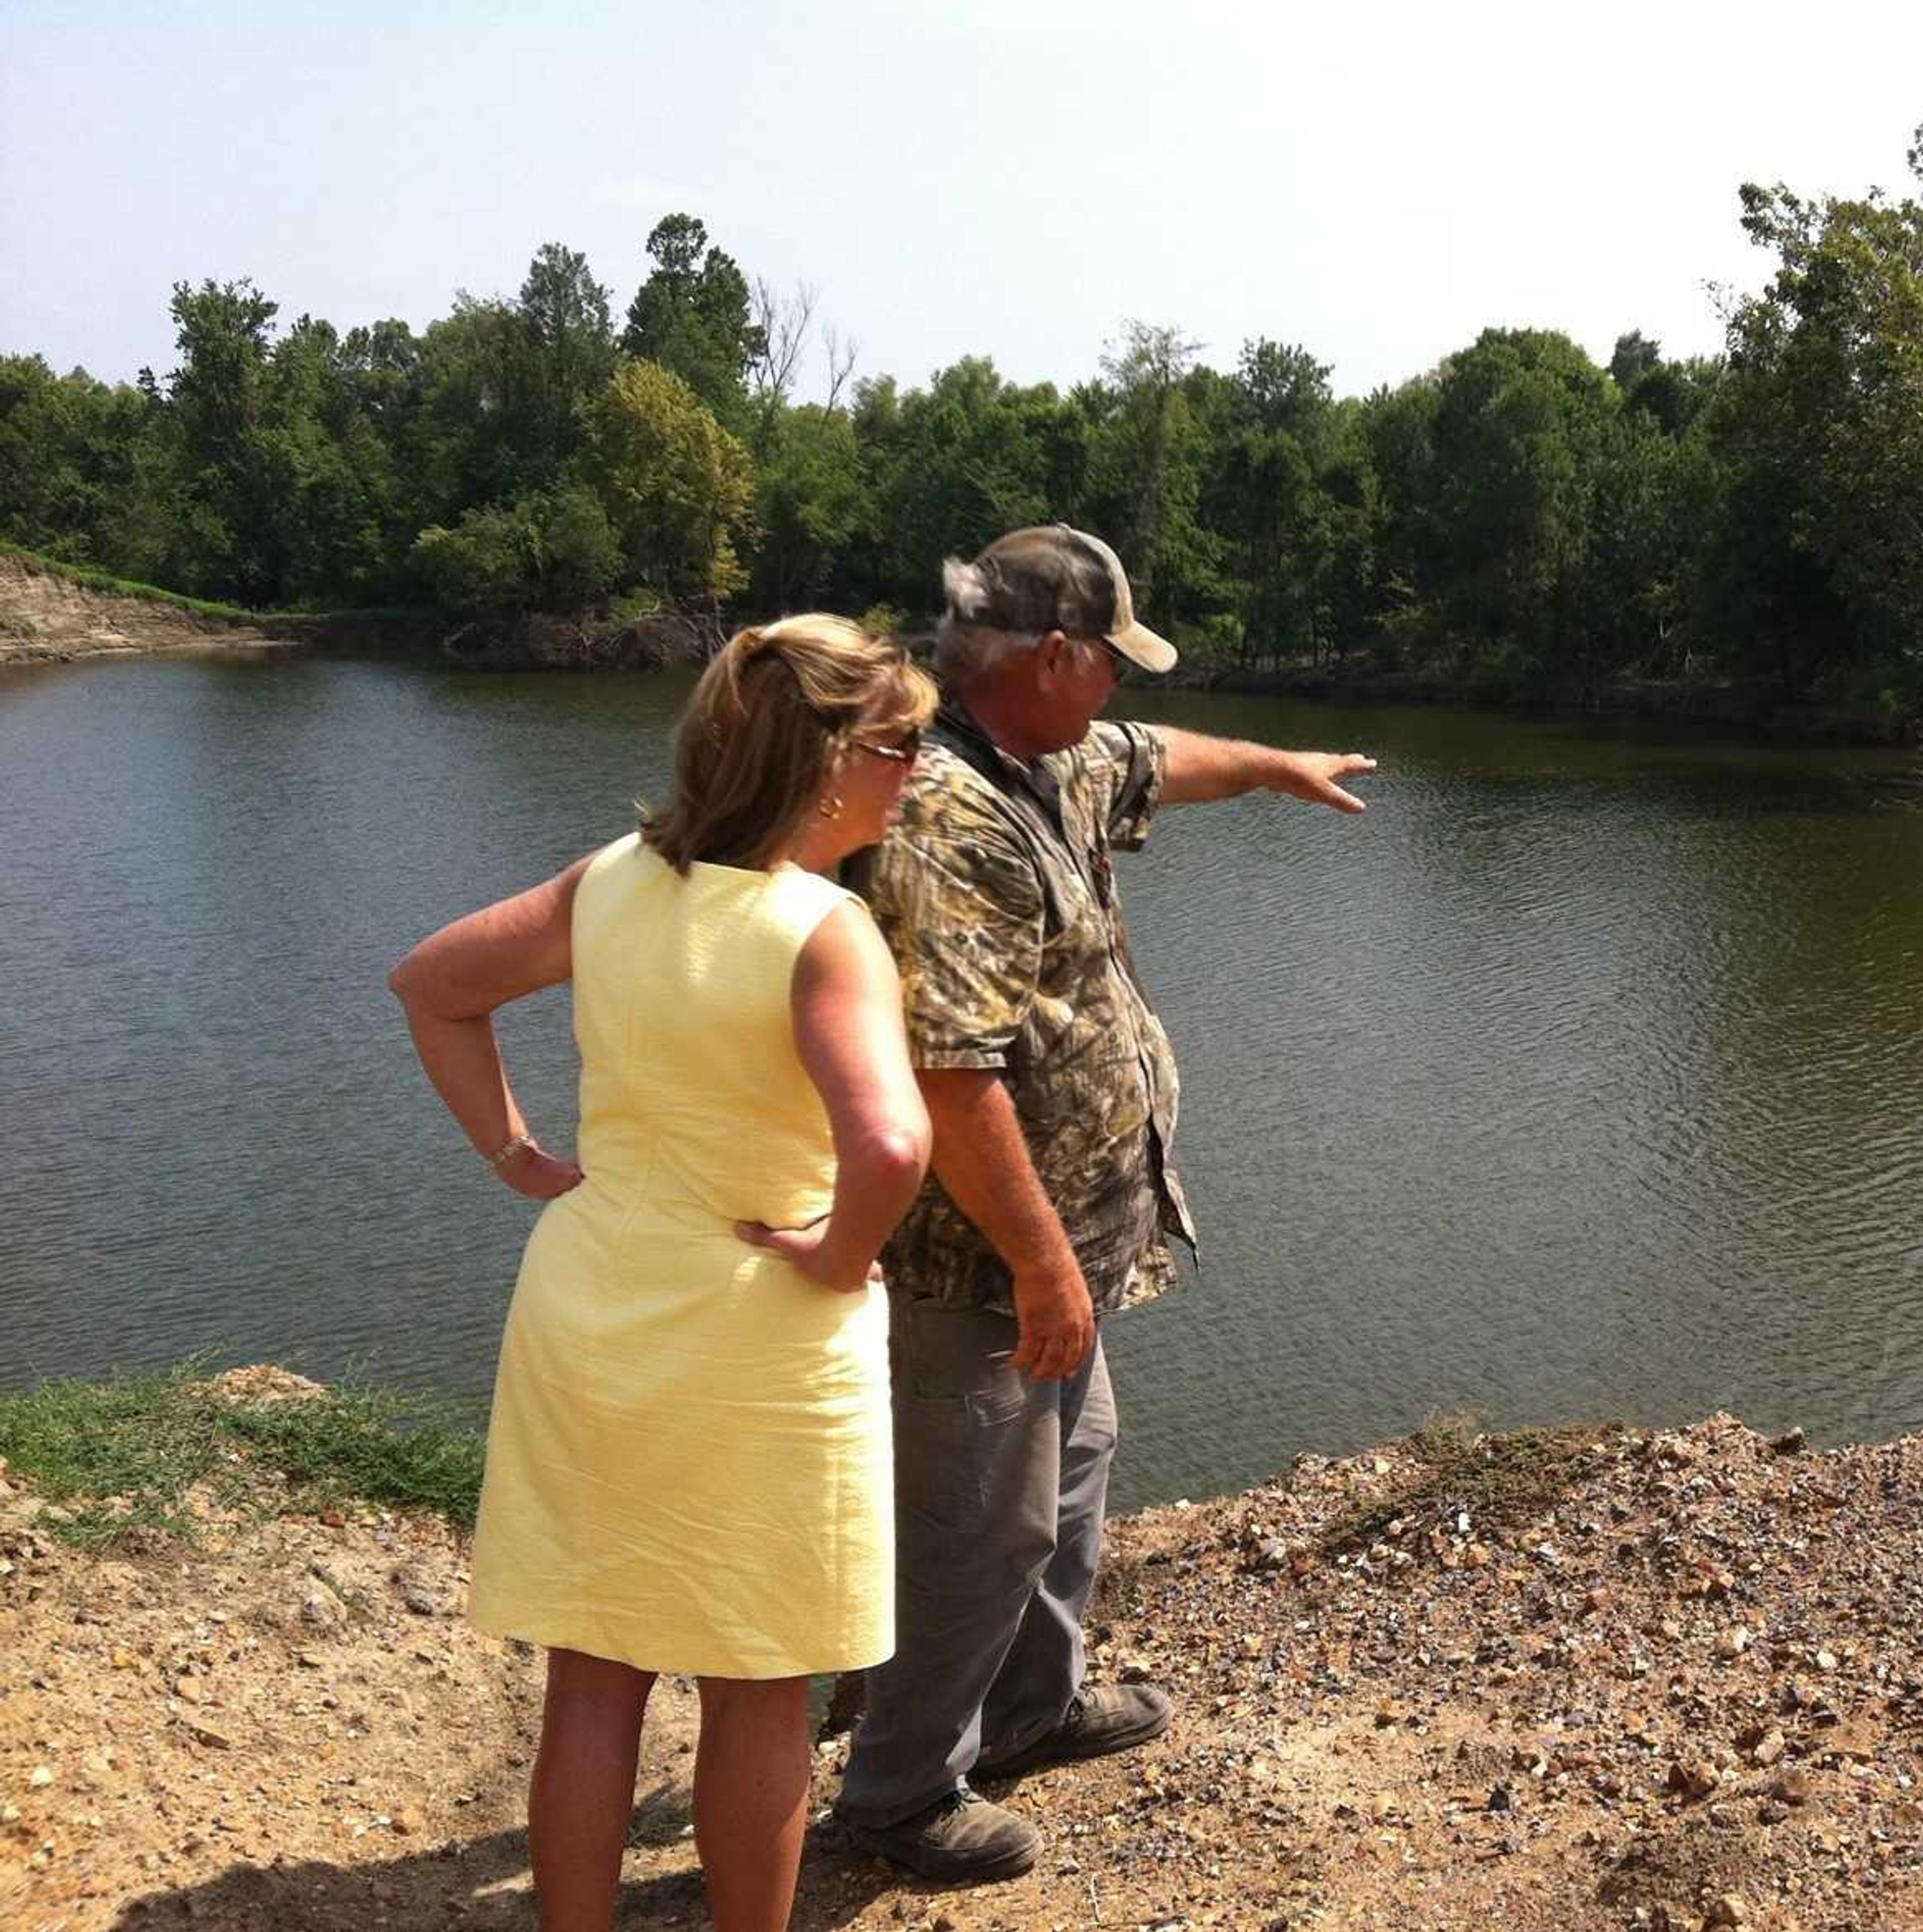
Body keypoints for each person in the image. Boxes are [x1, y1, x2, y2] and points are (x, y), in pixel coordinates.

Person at [832, 525, 1377, 1882]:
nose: (1119, 693)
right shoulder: (948, 823)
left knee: (1072, 1474)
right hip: (979, 1264)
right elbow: (949, 1079)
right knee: (980, 1522)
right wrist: (1039, 1266)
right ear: (1058, 656)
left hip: (1058, 1243)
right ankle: (899, 1795)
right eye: (1109, 662)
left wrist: (1273, 768)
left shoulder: (1046, 754)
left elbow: (1158, 758)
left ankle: (1032, 1707)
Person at [388, 616, 938, 1932]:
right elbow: (894, 1142)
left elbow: (432, 985)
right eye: (901, 745)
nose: (917, 771)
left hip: (592, 1303)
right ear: (827, 761)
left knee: (595, 1676)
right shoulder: (824, 929)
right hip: (757, 1330)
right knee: (758, 1688)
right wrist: (840, 1256)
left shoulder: (613, 882)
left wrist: (519, 1157)